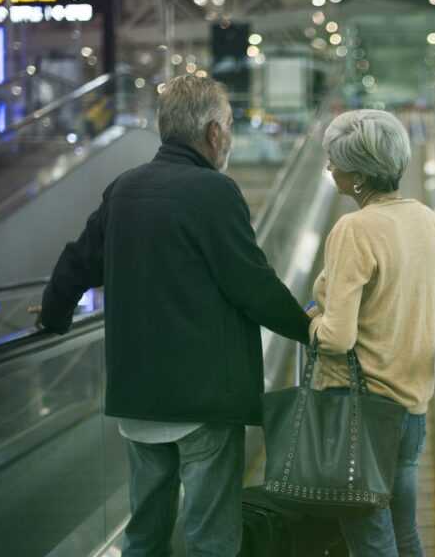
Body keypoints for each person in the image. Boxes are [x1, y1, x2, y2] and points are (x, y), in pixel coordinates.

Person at [37, 75, 311, 557]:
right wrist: (311, 331)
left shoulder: (123, 188)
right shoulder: (214, 192)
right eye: (229, 126)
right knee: (210, 539)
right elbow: (253, 285)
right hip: (201, 402)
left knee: (145, 535)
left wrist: (52, 316)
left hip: (137, 401)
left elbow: (78, 262)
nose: (229, 136)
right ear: (213, 132)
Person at [306, 109, 435, 556]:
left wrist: (311, 326)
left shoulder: (353, 230)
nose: (329, 167)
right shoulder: (425, 219)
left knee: (372, 543)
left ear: (359, 176)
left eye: (335, 160)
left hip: (357, 412)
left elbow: (338, 338)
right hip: (409, 412)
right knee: (404, 533)